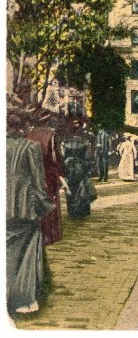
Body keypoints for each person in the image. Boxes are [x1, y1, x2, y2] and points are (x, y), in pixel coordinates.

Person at [7, 111, 55, 315]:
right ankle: (23, 301)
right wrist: (45, 206)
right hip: (25, 208)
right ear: (24, 127)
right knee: (27, 253)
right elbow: (38, 181)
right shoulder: (31, 147)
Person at [27, 123, 66, 246]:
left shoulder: (28, 133)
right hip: (48, 173)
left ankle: (41, 233)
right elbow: (55, 158)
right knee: (50, 200)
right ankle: (50, 234)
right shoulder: (50, 134)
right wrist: (60, 174)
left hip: (34, 173)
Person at [62, 123, 97, 218]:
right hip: (81, 167)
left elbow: (62, 156)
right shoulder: (85, 142)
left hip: (68, 168)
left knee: (70, 188)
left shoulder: (65, 142)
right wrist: (88, 168)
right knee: (82, 188)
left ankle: (72, 211)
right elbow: (88, 157)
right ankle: (82, 211)